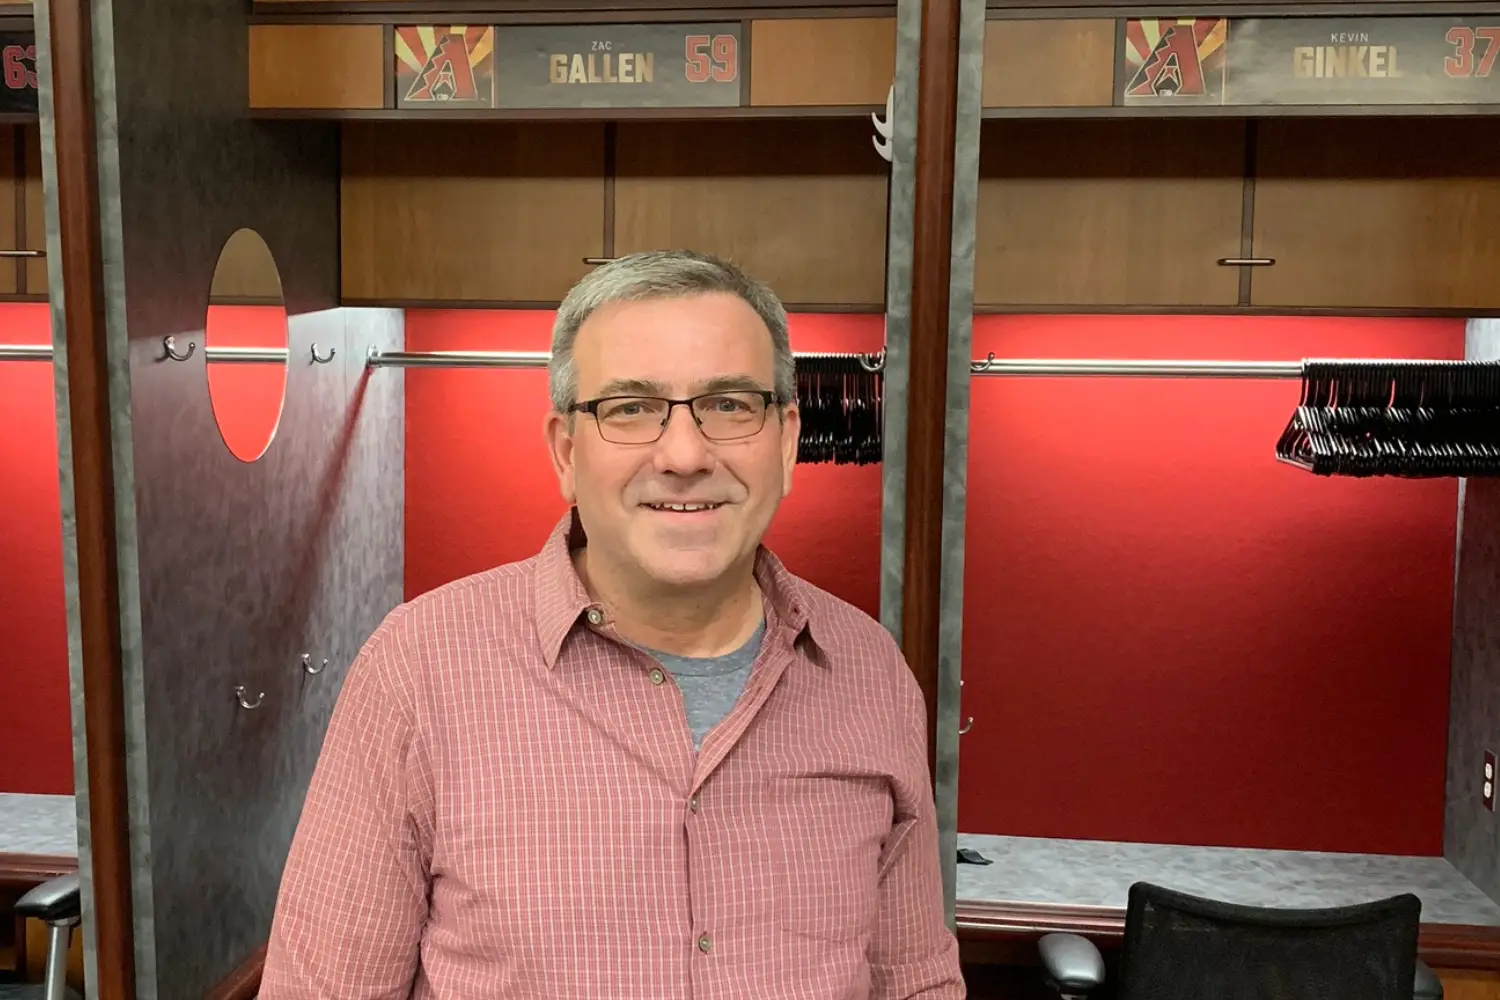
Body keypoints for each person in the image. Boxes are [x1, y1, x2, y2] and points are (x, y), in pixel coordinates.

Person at [258, 249, 964, 1000]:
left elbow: (913, 979)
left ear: (786, 442)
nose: (686, 454)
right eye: (631, 408)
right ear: (566, 452)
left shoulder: (870, 672)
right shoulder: (418, 673)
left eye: (729, 405)